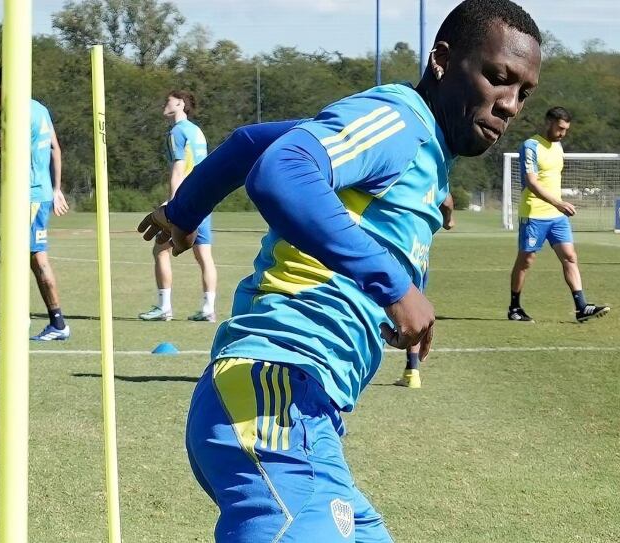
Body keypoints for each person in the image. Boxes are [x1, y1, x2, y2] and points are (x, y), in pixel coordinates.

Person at [138, 1, 541, 539]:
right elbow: (282, 169)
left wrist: (186, 211)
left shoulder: (425, 150)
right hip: (273, 391)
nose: (510, 104)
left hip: (307, 415)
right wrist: (394, 285)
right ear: (442, 60)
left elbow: (254, 142)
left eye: (523, 93)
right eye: (498, 79)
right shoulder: (400, 117)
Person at [0, 67, 71, 341]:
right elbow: (56, 148)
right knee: (18, 254)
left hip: (30, 195)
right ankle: (41, 320)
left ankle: (48, 322)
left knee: (25, 255)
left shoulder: (18, 113)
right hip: (40, 192)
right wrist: (56, 189)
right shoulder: (39, 108)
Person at [507, 106, 609, 323]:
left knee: (570, 257)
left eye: (566, 130)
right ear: (548, 122)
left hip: (557, 217)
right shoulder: (530, 146)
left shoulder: (558, 147)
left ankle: (582, 307)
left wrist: (559, 206)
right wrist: (558, 203)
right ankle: (514, 307)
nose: (563, 133)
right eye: (560, 128)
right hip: (534, 214)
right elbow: (532, 183)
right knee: (526, 261)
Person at [138, 91, 218, 322]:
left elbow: (178, 168)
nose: (164, 104)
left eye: (168, 101)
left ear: (181, 104)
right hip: (204, 198)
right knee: (204, 255)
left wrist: (172, 202)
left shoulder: (177, 131)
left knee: (160, 250)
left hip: (186, 199)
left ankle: (164, 307)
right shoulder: (196, 131)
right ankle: (208, 309)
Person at [394, 194, 455, 389]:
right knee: (413, 308)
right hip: (418, 252)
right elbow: (446, 200)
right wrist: (448, 220)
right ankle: (413, 372)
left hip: (389, 242)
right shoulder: (431, 168)